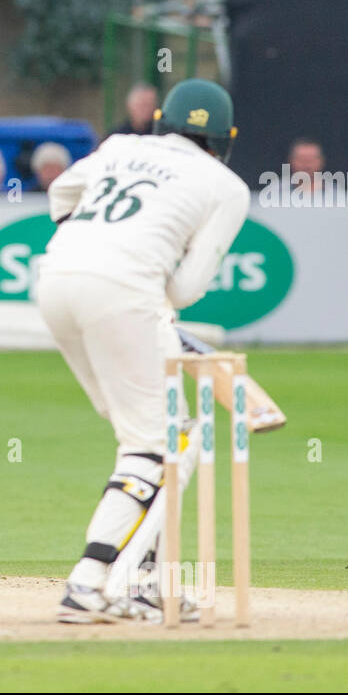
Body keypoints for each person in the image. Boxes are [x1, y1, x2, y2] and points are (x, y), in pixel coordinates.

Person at [36, 78, 250, 624]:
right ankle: (93, 583)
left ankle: (148, 581)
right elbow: (186, 290)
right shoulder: (226, 186)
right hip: (125, 294)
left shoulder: (120, 146)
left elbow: (61, 194)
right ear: (225, 137)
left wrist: (92, 244)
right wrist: (139, 276)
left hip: (57, 279)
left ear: (162, 119)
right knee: (161, 447)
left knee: (149, 440)